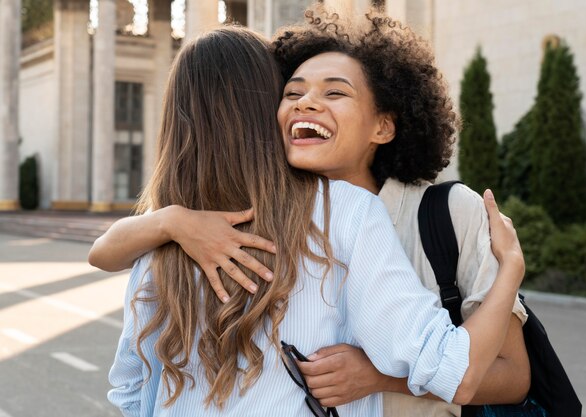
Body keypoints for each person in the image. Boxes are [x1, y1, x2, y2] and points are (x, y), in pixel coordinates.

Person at [104, 25, 525, 417]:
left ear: (384, 125)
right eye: (292, 92)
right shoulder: (181, 229)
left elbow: (131, 390)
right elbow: (454, 369)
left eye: (335, 93)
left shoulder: (436, 212)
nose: (306, 103)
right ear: (267, 111)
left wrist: (377, 377)